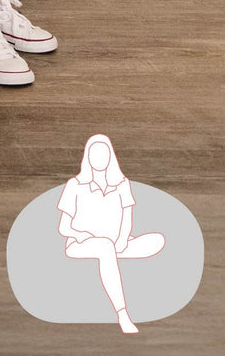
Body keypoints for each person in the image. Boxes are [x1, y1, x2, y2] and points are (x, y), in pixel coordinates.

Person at [58, 134, 165, 333]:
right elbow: (63, 227)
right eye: (94, 154)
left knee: (157, 240)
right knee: (104, 247)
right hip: (81, 243)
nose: (99, 158)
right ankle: (122, 313)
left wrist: (123, 239)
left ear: (110, 156)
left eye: (104, 154)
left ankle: (112, 255)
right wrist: (81, 235)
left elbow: (127, 217)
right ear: (87, 157)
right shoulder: (75, 185)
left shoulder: (122, 184)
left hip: (115, 243)